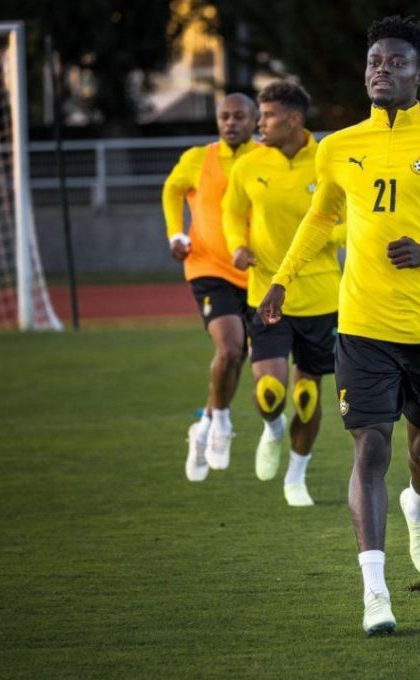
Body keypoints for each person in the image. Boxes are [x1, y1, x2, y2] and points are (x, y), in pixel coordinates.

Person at [258, 16, 420, 635]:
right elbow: (318, 222)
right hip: (361, 325)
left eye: (395, 62)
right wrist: (282, 278)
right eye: (373, 61)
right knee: (371, 446)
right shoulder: (339, 147)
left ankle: (418, 505)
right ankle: (375, 592)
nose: (381, 70)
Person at [222, 81, 344, 507]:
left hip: (322, 297)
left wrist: (325, 238)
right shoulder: (249, 165)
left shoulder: (329, 160)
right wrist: (237, 244)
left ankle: (296, 476)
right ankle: (272, 431)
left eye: (268, 115)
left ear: (294, 119)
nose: (260, 123)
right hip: (266, 294)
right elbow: (232, 212)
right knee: (269, 390)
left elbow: (354, 220)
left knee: (307, 399)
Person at [162, 93, 259, 482]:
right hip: (206, 267)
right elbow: (171, 189)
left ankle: (201, 428)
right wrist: (174, 234)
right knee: (230, 346)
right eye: (224, 117)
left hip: (255, 272)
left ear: (255, 121)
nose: (230, 123)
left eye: (239, 116)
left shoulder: (265, 159)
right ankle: (220, 422)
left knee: (239, 357)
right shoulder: (197, 158)